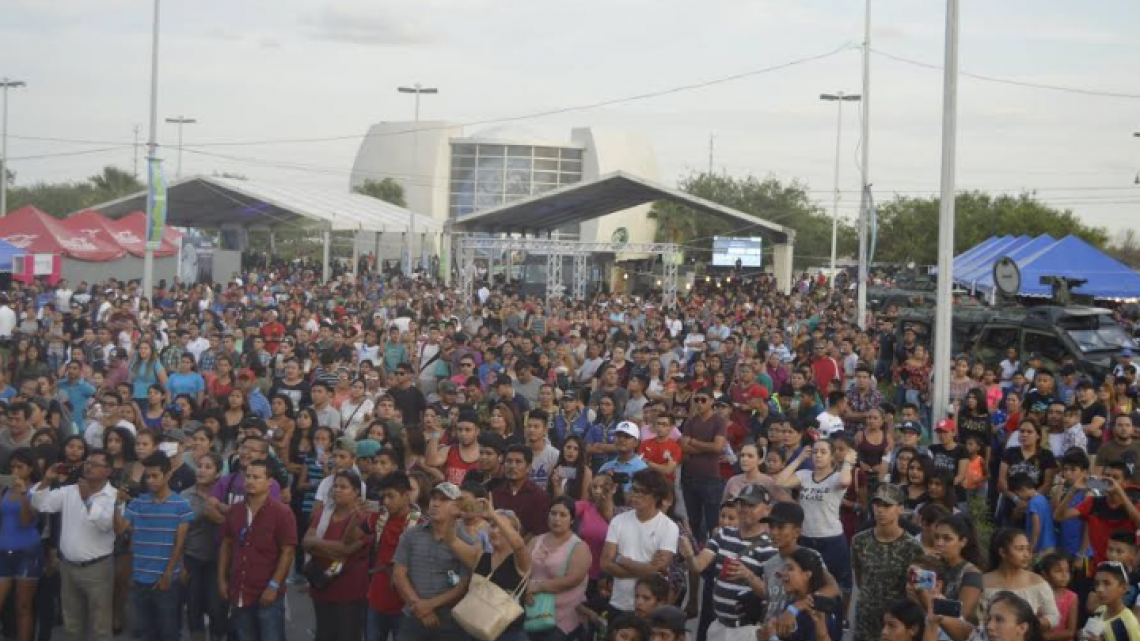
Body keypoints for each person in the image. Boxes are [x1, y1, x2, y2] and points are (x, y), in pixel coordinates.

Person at [31, 449, 118, 641]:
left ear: (108, 471)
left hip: (98, 569)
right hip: (68, 567)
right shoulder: (70, 491)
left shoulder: (114, 496)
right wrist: (47, 480)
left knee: (100, 629)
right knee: (72, 627)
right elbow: (40, 504)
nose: (88, 466)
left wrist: (87, 499)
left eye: (95, 464)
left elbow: (105, 524)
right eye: (87, 462)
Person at [679, 484, 776, 641]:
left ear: (767, 509)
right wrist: (689, 555)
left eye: (752, 505)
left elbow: (772, 594)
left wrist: (748, 575)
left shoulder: (770, 548)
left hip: (747, 630)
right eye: (742, 504)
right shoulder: (723, 534)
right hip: (719, 626)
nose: (745, 509)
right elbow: (698, 566)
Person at [115, 451, 193, 641]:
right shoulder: (137, 503)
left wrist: (168, 574)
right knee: (143, 633)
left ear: (167, 475)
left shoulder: (181, 505)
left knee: (168, 633)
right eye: (147, 476)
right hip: (140, 579)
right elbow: (119, 529)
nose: (150, 480)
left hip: (166, 581)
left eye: (155, 476)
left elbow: (179, 543)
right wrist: (115, 505)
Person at [218, 459, 298, 641]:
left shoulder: (282, 513)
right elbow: (226, 545)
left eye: (256, 477)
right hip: (239, 589)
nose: (250, 481)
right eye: (248, 476)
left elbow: (288, 551)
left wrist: (274, 586)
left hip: (267, 592)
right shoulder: (235, 511)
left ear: (270, 482)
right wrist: (222, 579)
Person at [773, 436, 855, 599]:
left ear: (831, 456)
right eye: (815, 452)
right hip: (806, 537)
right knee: (808, 584)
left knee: (838, 584)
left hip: (831, 539)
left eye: (823, 452)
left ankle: (842, 620)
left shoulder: (836, 477)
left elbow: (846, 481)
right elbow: (780, 482)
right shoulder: (804, 475)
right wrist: (800, 458)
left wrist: (848, 463)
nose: (818, 455)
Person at [391, 481, 473, 641]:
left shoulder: (465, 542)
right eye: (434, 498)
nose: (436, 503)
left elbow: (464, 585)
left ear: (457, 506)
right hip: (413, 617)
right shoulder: (411, 535)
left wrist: (428, 606)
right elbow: (398, 575)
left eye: (444, 500)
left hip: (450, 621)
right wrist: (420, 608)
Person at [850, 484, 926, 641]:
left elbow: (919, 589)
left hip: (896, 622)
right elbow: (860, 577)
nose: (880, 510)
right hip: (865, 619)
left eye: (887, 505)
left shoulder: (913, 547)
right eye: (877, 504)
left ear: (900, 509)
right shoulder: (859, 541)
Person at [451, 495, 532, 641]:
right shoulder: (479, 555)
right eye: (492, 525)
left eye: (501, 526)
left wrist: (493, 514)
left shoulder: (521, 560)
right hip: (475, 631)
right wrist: (453, 513)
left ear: (514, 532)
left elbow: (519, 545)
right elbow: (450, 540)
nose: (495, 530)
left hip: (509, 635)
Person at [600, 469, 679, 617]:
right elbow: (605, 564)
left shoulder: (669, 527)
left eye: (641, 491)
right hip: (619, 603)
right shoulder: (618, 521)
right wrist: (646, 568)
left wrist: (621, 560)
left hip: (650, 610)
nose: (635, 495)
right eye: (633, 489)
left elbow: (658, 570)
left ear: (655, 496)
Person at [303, 470, 370, 641]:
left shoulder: (364, 518)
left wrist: (317, 544)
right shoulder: (324, 513)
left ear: (356, 492)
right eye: (335, 486)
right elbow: (305, 542)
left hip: (349, 590)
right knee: (323, 634)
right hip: (321, 583)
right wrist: (332, 548)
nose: (337, 490)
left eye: (343, 487)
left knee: (347, 635)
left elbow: (345, 550)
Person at [526, 497, 592, 641]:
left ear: (572, 520)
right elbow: (522, 571)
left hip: (562, 617)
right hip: (532, 611)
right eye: (553, 513)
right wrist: (525, 590)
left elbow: (573, 580)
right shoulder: (535, 541)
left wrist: (537, 587)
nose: (557, 519)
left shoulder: (579, 547)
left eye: (563, 515)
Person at [182, 451, 228, 641]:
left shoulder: (224, 496)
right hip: (192, 558)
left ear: (218, 473)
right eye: (200, 466)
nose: (201, 470)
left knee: (217, 608)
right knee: (194, 608)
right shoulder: (185, 495)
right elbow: (180, 533)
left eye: (208, 467)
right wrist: (180, 564)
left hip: (217, 560)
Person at [981, 528, 1060, 630]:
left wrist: (1031, 624)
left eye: (1027, 549)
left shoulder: (1036, 581)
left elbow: (1053, 616)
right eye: (1020, 549)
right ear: (1003, 552)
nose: (1026, 555)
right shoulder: (983, 581)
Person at [0, 449, 41, 641]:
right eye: (12, 467)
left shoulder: (36, 490)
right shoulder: (5, 490)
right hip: (3, 550)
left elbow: (26, 521)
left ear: (30, 468)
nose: (15, 471)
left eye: (20, 467)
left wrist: (24, 493)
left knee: (23, 607)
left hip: (27, 551)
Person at [679, 387, 728, 543]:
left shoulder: (719, 421)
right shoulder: (690, 421)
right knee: (693, 520)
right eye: (696, 400)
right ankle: (694, 551)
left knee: (712, 520)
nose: (699, 403)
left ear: (711, 401)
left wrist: (693, 442)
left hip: (710, 477)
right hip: (689, 477)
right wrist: (707, 447)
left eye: (703, 400)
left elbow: (718, 447)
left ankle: (712, 553)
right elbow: (683, 446)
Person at [491, 444, 552, 538]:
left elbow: (538, 532)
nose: (512, 466)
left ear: (528, 468)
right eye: (509, 461)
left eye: (518, 462)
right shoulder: (495, 494)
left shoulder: (539, 496)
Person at [1089, 561, 1140, 641]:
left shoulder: (1128, 623)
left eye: (1107, 583)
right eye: (1097, 584)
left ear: (1124, 588)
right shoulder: (1100, 611)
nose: (1099, 589)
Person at [1036, 552, 1078, 641]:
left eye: (1067, 570)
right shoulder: (1038, 595)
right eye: (1058, 571)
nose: (1064, 575)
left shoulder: (1072, 597)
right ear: (1045, 575)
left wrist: (1046, 637)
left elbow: (1071, 631)